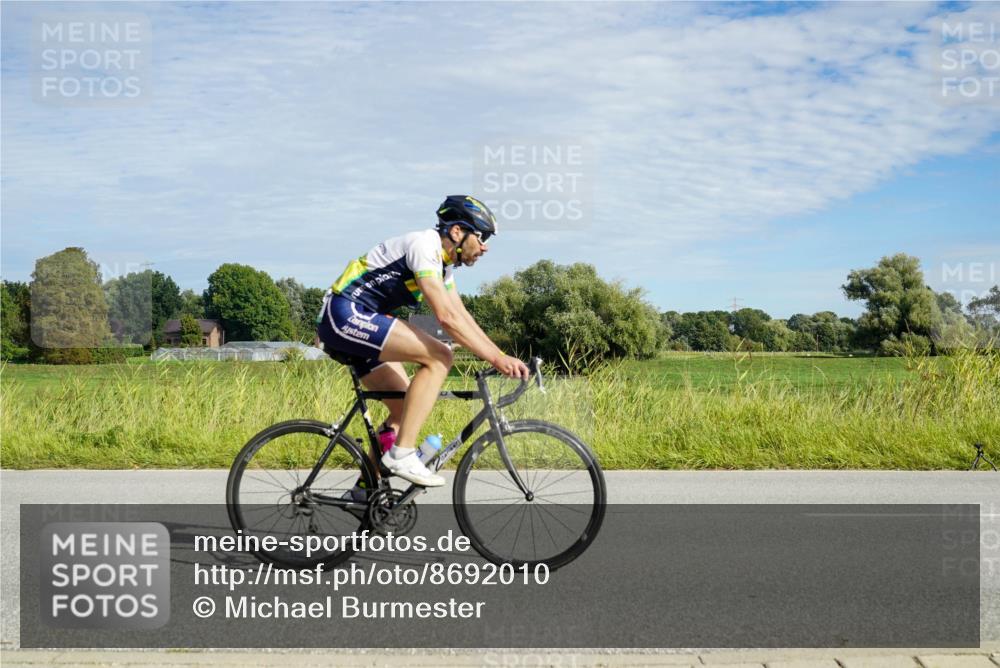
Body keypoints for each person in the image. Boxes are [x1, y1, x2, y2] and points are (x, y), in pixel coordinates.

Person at [316, 195, 530, 488]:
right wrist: (496, 359)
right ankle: (402, 454)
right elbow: (446, 319)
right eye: (481, 237)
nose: (485, 247)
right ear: (457, 232)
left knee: (407, 407)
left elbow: (461, 314)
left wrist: (500, 353)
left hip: (360, 320)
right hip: (345, 314)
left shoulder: (444, 266)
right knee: (440, 356)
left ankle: (366, 490)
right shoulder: (424, 246)